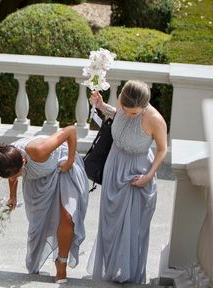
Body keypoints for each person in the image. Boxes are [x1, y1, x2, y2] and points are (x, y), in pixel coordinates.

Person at [87, 80, 168, 284]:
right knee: (110, 223)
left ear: (145, 105)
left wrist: (148, 177)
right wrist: (101, 106)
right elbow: (117, 115)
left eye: (134, 113)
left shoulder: (155, 119)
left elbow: (162, 149)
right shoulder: (122, 104)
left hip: (137, 173)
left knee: (132, 228)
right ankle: (113, 269)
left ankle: (128, 274)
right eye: (126, 109)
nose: (129, 115)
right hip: (114, 166)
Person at [0, 125, 89, 283]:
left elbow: (71, 130)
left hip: (62, 167)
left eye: (18, 173)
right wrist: (12, 197)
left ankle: (61, 265)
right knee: (39, 226)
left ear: (23, 161)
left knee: (68, 216)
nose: (15, 177)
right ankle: (36, 262)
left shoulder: (38, 149)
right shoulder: (8, 159)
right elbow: (12, 176)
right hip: (38, 180)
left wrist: (70, 161)